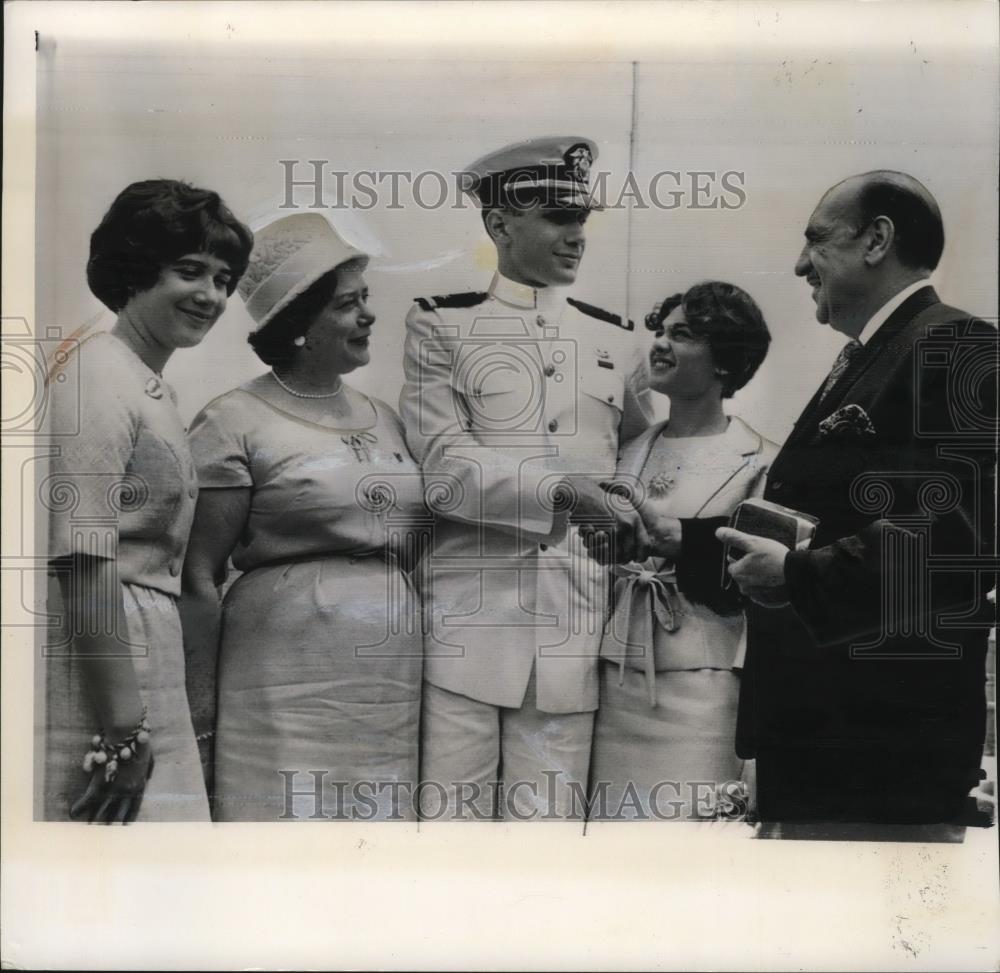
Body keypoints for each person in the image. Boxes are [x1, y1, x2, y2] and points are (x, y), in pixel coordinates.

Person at [709, 171, 997, 829]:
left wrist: (793, 574)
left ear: (877, 240)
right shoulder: (872, 355)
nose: (799, 263)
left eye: (816, 240)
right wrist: (686, 539)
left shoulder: (952, 344)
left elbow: (955, 541)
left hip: (881, 755)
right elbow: (828, 516)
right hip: (829, 740)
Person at [399, 136, 649, 820]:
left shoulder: (617, 339)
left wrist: (623, 507)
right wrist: (565, 491)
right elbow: (446, 467)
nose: (575, 236)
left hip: (572, 632)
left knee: (545, 862)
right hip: (467, 634)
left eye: (581, 220)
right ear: (499, 225)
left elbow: (636, 460)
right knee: (451, 848)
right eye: (556, 218)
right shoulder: (442, 326)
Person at [182, 212, 426, 822]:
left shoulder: (386, 417)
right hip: (280, 679)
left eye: (365, 298)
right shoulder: (232, 419)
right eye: (348, 305)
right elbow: (198, 576)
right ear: (299, 325)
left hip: (388, 681)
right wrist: (200, 715)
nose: (368, 315)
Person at [41, 178, 253, 822]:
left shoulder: (146, 384)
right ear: (135, 271)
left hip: (143, 645)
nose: (211, 295)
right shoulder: (97, 373)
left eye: (223, 279)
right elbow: (84, 559)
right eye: (190, 271)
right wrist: (123, 732)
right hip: (106, 650)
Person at [580, 282, 775, 822]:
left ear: (725, 362)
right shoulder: (628, 450)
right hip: (616, 680)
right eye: (660, 332)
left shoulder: (760, 460)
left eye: (682, 335)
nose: (660, 345)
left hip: (705, 689)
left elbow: (760, 585)